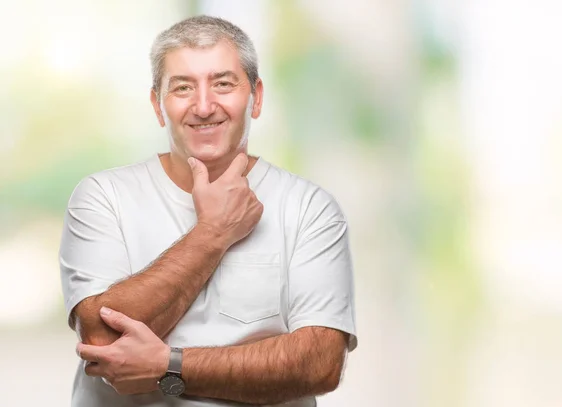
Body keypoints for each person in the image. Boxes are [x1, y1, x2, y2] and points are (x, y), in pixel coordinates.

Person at [59, 15, 357, 407]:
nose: (203, 106)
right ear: (158, 105)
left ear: (257, 97)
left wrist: (170, 366)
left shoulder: (309, 209)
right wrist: (213, 232)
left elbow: (320, 364)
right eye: (183, 87)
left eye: (223, 84)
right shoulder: (102, 197)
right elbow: (100, 338)